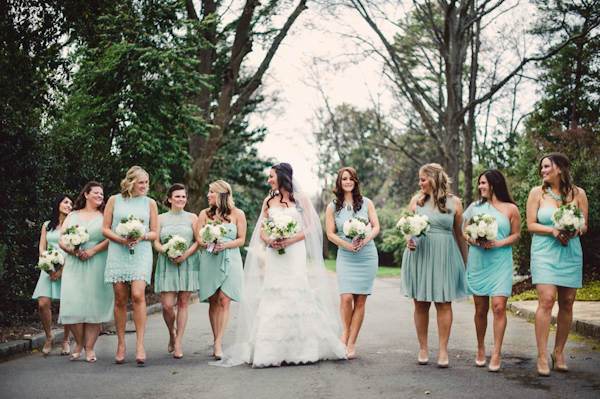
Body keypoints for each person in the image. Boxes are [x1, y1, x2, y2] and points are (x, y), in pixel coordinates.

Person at [212, 163, 346, 368]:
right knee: (274, 295)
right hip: (275, 254)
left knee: (295, 293)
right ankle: (271, 352)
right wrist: (269, 241)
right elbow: (262, 229)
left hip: (294, 252)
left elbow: (310, 228)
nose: (268, 180)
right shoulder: (268, 201)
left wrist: (290, 240)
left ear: (282, 177)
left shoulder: (301, 200)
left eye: (271, 176)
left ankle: (301, 350)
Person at [400, 163, 468, 368]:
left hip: (445, 256)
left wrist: (465, 264)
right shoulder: (416, 201)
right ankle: (423, 348)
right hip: (419, 254)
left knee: (443, 303)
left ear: (434, 179)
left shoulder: (454, 203)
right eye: (419, 180)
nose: (420, 183)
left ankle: (443, 350)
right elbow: (408, 229)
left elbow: (460, 235)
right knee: (420, 302)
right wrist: (407, 240)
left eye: (423, 179)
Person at [526, 153, 588, 376]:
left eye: (547, 166)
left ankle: (558, 352)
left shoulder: (578, 193)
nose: (543, 171)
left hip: (570, 250)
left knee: (568, 302)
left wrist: (574, 229)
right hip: (544, 251)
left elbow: (585, 226)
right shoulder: (537, 193)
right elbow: (531, 225)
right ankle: (542, 355)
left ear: (560, 168)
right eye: (541, 167)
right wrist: (553, 229)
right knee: (547, 299)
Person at [462, 170, 520, 372]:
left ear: (494, 183)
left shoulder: (511, 209)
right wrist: (475, 241)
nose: (480, 187)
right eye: (479, 183)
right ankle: (480, 349)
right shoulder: (474, 207)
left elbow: (516, 234)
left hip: (501, 261)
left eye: (483, 183)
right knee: (480, 309)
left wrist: (499, 243)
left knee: (498, 307)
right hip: (479, 262)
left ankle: (496, 353)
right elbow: (464, 231)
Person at [103, 166, 158, 365]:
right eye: (141, 182)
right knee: (119, 298)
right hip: (118, 250)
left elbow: (154, 233)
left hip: (141, 251)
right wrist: (121, 239)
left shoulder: (150, 203)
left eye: (146, 183)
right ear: (131, 182)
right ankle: (121, 344)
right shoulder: (114, 200)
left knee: (137, 295)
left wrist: (141, 235)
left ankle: (140, 344)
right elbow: (105, 229)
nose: (145, 186)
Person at [325, 167, 379, 359]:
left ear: (355, 182)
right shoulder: (332, 207)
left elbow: (376, 226)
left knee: (360, 300)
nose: (347, 182)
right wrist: (347, 246)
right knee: (346, 298)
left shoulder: (367, 203)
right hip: (346, 255)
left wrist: (364, 241)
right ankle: (345, 332)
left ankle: (352, 342)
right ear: (339, 183)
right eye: (344, 179)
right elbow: (330, 234)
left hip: (367, 255)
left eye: (351, 179)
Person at [58, 182, 114, 362]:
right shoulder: (73, 215)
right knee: (73, 302)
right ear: (86, 194)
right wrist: (74, 251)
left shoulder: (105, 215)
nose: (100, 196)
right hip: (75, 262)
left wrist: (93, 251)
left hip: (97, 260)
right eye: (96, 193)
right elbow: (62, 240)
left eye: (102, 194)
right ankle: (79, 343)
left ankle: (90, 348)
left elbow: (110, 238)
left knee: (95, 304)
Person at [197, 180, 246, 360]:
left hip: (231, 258)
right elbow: (198, 238)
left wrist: (226, 244)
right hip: (210, 259)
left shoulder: (237, 214)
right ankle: (215, 336)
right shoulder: (204, 214)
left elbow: (241, 239)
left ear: (221, 194)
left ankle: (218, 342)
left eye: (211, 192)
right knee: (213, 300)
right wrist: (209, 242)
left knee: (225, 300)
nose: (208, 195)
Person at [154, 184, 200, 359]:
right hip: (167, 263)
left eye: (183, 196)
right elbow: (156, 241)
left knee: (182, 303)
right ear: (170, 199)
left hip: (187, 262)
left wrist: (186, 254)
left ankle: (179, 342)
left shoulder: (192, 217)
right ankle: (172, 334)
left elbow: (198, 240)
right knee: (166, 306)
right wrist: (167, 251)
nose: (181, 199)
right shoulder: (160, 218)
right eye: (178, 196)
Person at [32, 194, 74, 356]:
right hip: (48, 268)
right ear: (58, 205)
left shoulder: (73, 225)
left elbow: (73, 249)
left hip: (67, 267)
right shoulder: (47, 225)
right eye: (65, 202)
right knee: (43, 303)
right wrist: (48, 264)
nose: (68, 205)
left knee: (67, 305)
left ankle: (65, 339)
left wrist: (61, 270)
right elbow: (42, 248)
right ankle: (49, 336)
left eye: (71, 203)